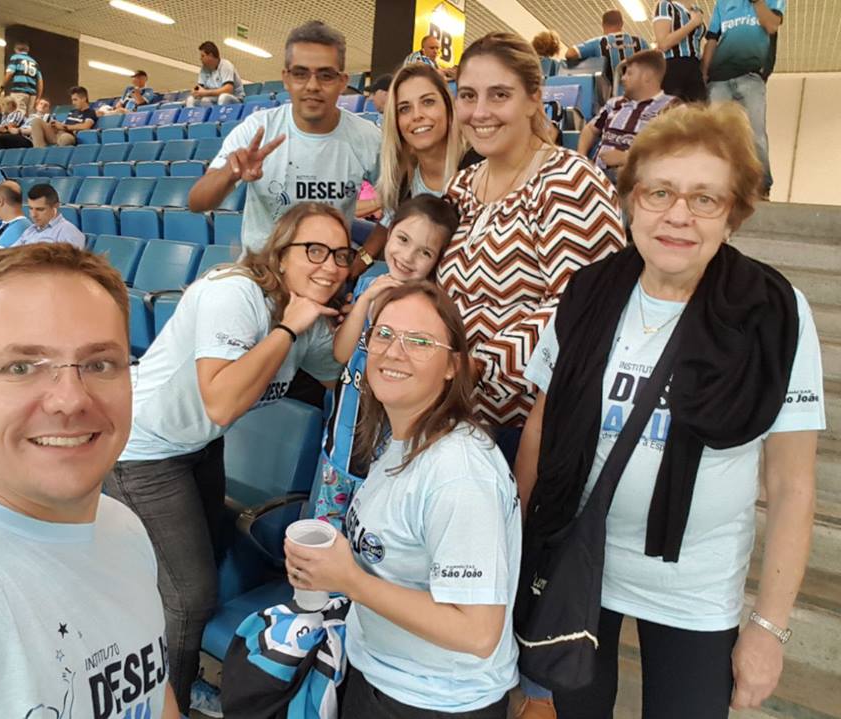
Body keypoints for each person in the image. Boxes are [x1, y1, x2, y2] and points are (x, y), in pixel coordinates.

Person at [517, 102, 823, 718]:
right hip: (582, 565)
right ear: (631, 202)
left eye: (705, 199)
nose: (678, 215)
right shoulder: (589, 291)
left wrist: (768, 627)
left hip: (696, 590)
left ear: (733, 214)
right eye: (659, 192)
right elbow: (541, 428)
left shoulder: (774, 312)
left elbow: (792, 485)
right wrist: (520, 557)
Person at [0, 243, 180, 718]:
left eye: (99, 364)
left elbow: (153, 695)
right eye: (21, 367)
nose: (69, 400)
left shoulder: (124, 528)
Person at [104, 202, 350, 714]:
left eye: (343, 256)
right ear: (280, 254)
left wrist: (367, 309)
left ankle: (158, 662)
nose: (330, 266)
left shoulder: (300, 311)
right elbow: (221, 399)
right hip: (143, 448)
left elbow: (341, 369)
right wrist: (288, 329)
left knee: (196, 568)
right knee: (190, 595)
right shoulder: (235, 293)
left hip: (198, 445)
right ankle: (166, 697)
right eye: (315, 250)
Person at [448, 35, 627, 716]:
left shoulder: (567, 180)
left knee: (534, 606)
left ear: (532, 100)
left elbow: (587, 314)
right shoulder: (466, 183)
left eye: (499, 94)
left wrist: (478, 359)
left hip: (538, 424)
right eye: (469, 95)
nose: (481, 111)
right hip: (468, 419)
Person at [286, 281, 522, 718]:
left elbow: (477, 632)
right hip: (378, 675)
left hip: (430, 701)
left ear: (453, 366)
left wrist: (351, 581)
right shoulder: (400, 438)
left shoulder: (459, 475)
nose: (395, 352)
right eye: (384, 334)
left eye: (419, 342)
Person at [316, 195, 459, 528]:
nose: (407, 257)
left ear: (437, 260)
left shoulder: (427, 309)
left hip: (386, 466)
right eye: (403, 240)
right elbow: (341, 354)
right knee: (325, 541)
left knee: (367, 544)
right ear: (389, 232)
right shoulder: (368, 284)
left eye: (424, 252)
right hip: (339, 451)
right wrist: (366, 299)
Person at [188, 21, 380, 254]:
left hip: (326, 276)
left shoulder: (367, 137)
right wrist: (231, 172)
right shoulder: (257, 130)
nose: (312, 86)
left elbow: (399, 206)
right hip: (261, 272)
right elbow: (197, 202)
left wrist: (363, 261)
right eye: (300, 74)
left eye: (326, 75)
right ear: (286, 79)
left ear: (342, 82)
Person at [351, 62, 464, 277]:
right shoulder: (405, 175)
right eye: (405, 108)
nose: (417, 115)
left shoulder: (475, 169)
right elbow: (387, 223)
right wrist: (358, 265)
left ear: (448, 109)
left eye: (428, 102)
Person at [703, 0, 783, 196]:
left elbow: (772, 25)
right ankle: (717, 184)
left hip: (751, 75)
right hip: (719, 77)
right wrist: (704, 71)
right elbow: (712, 39)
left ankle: (762, 186)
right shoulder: (723, 3)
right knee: (716, 135)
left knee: (755, 134)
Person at [578, 50, 678, 182]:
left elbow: (676, 154)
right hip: (597, 179)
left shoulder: (672, 108)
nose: (623, 78)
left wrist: (627, 158)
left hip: (637, 184)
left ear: (647, 77)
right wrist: (582, 159)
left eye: (629, 73)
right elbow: (590, 129)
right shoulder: (614, 103)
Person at [565, 9, 649, 92]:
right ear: (622, 23)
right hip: (639, 97)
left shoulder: (599, 43)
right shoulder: (641, 42)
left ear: (603, 25)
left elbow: (570, 54)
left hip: (611, 99)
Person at [653, 1, 707, 102]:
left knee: (699, 113)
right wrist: (693, 23)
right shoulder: (665, 5)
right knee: (674, 112)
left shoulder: (696, 9)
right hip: (673, 67)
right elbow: (663, 43)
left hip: (695, 67)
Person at [16, 183, 85, 249]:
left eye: (40, 209)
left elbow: (73, 260)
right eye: (31, 208)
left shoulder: (69, 232)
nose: (33, 215)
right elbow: (10, 254)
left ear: (55, 206)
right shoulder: (30, 230)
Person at [30, 86, 96, 148]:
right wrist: (54, 125)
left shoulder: (90, 112)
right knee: (36, 121)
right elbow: (63, 125)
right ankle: (40, 151)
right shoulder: (72, 111)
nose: (73, 103)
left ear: (84, 99)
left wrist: (64, 126)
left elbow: (86, 126)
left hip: (69, 135)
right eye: (72, 100)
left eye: (75, 100)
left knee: (65, 138)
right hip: (57, 134)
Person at [186, 41, 244, 107]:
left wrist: (205, 93)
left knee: (223, 97)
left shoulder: (226, 65)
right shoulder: (204, 69)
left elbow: (228, 89)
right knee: (192, 99)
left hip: (233, 97)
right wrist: (195, 90)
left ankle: (220, 116)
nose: (200, 58)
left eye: (203, 56)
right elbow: (199, 87)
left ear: (210, 55)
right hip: (214, 97)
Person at [1, 41, 44, 113]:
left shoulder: (15, 58)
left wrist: (2, 87)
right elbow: (40, 82)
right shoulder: (35, 63)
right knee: (29, 116)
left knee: (18, 113)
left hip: (19, 91)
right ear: (27, 50)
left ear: (16, 49)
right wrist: (38, 97)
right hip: (32, 94)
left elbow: (9, 73)